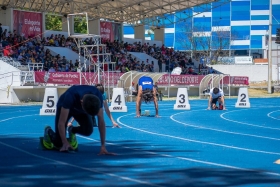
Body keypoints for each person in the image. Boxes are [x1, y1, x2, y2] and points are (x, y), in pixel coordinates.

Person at [42, 85, 113, 155]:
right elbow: (62, 122)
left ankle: (72, 130)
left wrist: (103, 146)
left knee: (88, 131)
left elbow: (101, 121)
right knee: (59, 143)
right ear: (81, 102)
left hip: (80, 110)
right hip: (66, 108)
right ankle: (48, 131)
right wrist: (65, 142)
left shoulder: (98, 96)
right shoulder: (70, 95)